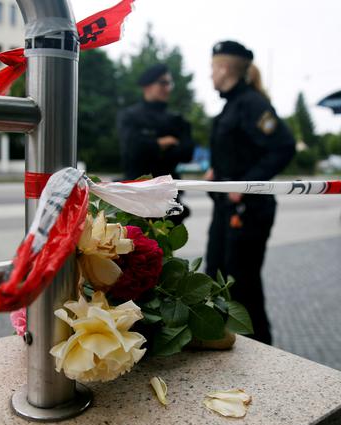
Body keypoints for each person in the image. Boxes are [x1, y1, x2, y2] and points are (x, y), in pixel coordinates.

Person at [205, 41, 296, 345]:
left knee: (243, 286)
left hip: (249, 212)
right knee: (216, 276)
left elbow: (283, 146)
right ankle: (221, 342)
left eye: (212, 68)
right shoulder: (232, 105)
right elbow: (239, 153)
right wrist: (217, 174)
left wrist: (245, 185)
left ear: (223, 68)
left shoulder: (253, 104)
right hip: (227, 209)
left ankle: (262, 354)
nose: (210, 76)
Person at [117, 63, 194, 223]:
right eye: (163, 83)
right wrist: (161, 143)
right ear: (147, 85)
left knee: (164, 246)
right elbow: (132, 149)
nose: (167, 88)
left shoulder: (176, 119)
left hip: (167, 197)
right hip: (136, 197)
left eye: (169, 83)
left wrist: (148, 146)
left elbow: (187, 152)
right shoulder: (130, 116)